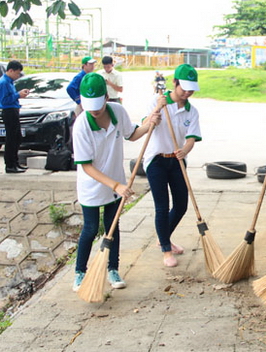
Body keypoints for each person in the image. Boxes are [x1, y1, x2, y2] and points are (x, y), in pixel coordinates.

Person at [71, 73, 160, 292]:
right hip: (92, 185)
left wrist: (150, 123)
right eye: (89, 105)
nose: (94, 110)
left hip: (116, 182)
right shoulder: (81, 126)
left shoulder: (118, 112)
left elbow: (133, 134)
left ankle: (112, 269)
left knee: (113, 227)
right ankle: (80, 273)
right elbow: (87, 166)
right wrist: (115, 185)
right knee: (91, 229)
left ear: (106, 97)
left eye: (98, 104)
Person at [143, 64, 202, 267]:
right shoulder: (158, 101)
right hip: (156, 160)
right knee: (162, 206)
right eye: (184, 87)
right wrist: (156, 112)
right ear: (175, 83)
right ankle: (166, 251)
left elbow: (191, 138)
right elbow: (144, 125)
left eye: (191, 89)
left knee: (181, 205)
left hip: (177, 161)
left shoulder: (191, 111)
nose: (187, 92)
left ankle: (163, 237)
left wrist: (185, 150)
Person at [0, 60, 30, 173]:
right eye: (17, 73)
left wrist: (19, 94)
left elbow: (11, 96)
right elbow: (4, 100)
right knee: (11, 139)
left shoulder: (10, 82)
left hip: (14, 110)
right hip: (8, 111)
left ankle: (15, 162)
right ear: (10, 70)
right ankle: (10, 165)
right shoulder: (4, 82)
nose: (18, 76)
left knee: (17, 138)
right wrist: (18, 95)